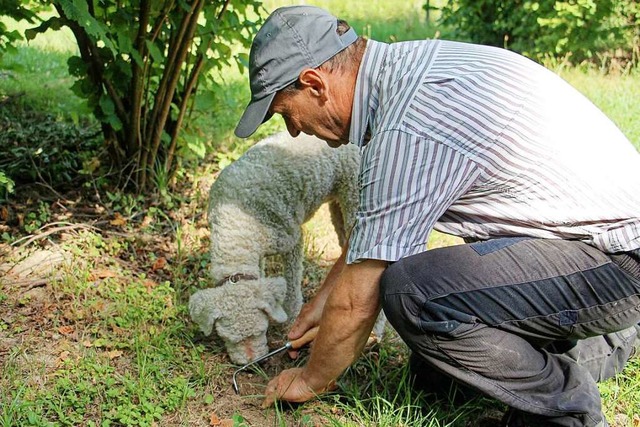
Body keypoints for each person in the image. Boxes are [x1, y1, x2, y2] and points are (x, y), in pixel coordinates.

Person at [233, 5, 640, 426]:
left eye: (285, 112)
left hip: (619, 262)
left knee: (412, 292)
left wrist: (310, 379)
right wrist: (323, 302)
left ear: (314, 84)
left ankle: (566, 409)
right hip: (597, 244)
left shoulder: (406, 129)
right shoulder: (411, 71)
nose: (294, 130)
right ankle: (610, 341)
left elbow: (358, 301)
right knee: (436, 375)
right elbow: (379, 231)